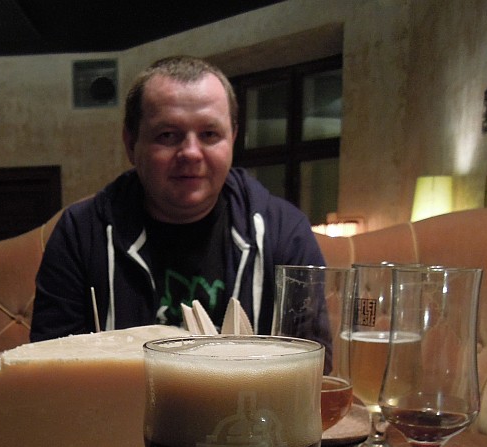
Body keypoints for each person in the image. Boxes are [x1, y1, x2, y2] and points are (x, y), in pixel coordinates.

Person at [31, 55, 324, 341]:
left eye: (210, 134)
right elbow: (50, 362)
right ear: (131, 144)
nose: (191, 153)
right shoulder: (80, 234)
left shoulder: (286, 232)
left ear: (233, 139)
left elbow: (314, 360)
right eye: (168, 135)